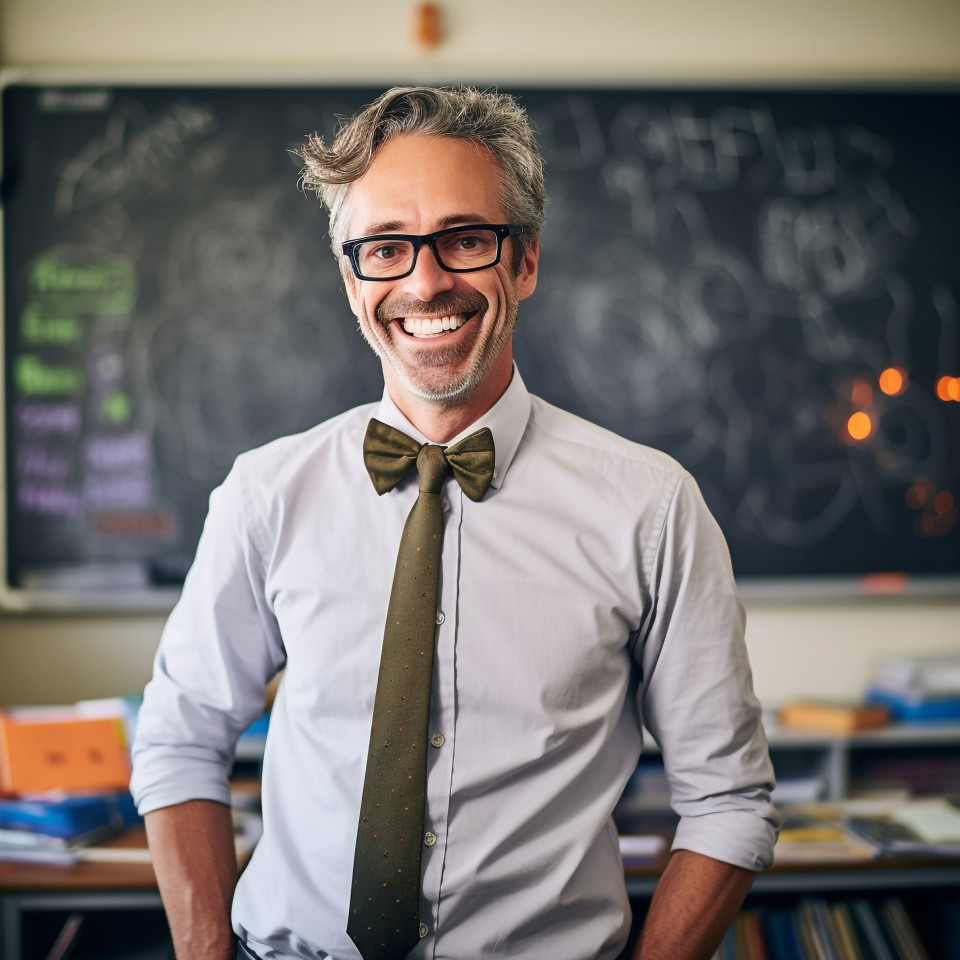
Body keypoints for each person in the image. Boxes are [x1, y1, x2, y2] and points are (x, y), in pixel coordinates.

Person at [131, 85, 780, 960]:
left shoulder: (652, 508)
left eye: (465, 239)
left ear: (526, 261)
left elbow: (729, 801)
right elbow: (180, 742)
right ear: (351, 280)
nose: (425, 281)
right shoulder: (264, 495)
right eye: (385, 248)